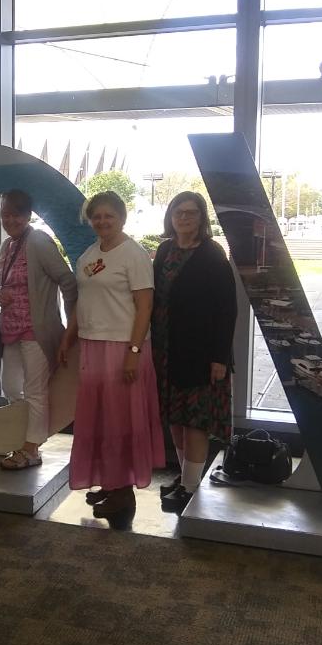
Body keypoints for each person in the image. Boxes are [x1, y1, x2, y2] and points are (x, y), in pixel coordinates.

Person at [58, 191, 164, 516]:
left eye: (109, 216)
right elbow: (84, 301)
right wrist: (68, 337)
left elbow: (145, 306)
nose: (102, 221)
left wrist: (133, 351)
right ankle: (110, 481)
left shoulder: (133, 254)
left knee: (120, 420)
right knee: (101, 420)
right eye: (97, 217)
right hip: (93, 345)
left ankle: (123, 494)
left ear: (122, 218)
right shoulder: (89, 255)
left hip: (123, 347)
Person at [151, 191, 237, 513]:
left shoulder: (212, 254)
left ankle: (189, 487)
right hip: (166, 350)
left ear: (202, 218)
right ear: (170, 217)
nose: (184, 218)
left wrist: (220, 357)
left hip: (199, 352)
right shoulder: (165, 250)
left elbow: (227, 310)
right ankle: (185, 478)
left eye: (191, 213)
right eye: (179, 212)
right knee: (175, 419)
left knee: (194, 422)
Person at [0, 189, 77, 470]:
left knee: (35, 391)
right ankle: (23, 438)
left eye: (16, 214)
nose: (10, 220)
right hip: (10, 330)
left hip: (36, 331)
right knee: (9, 387)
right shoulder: (7, 246)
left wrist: (69, 324)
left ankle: (31, 450)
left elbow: (67, 280)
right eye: (5, 214)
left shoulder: (39, 241)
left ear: (28, 215)